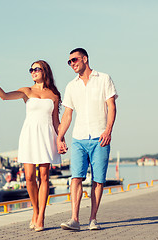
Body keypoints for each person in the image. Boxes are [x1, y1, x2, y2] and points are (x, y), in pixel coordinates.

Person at [0, 60, 61, 232]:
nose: (33, 72)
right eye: (31, 69)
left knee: (44, 176)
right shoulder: (26, 91)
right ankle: (35, 210)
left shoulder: (54, 95)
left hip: (47, 136)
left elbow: (56, 121)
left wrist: (60, 139)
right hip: (29, 135)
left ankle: (41, 216)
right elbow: (4, 96)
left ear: (45, 71)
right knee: (28, 178)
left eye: (36, 69)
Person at [57, 48, 118, 231]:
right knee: (76, 178)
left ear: (85, 59)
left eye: (74, 60)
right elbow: (67, 115)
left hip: (100, 136)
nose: (72, 64)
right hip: (79, 138)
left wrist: (108, 130)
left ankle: (93, 219)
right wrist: (60, 137)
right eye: (69, 62)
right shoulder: (71, 86)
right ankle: (74, 219)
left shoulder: (104, 79)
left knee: (98, 180)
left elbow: (111, 106)